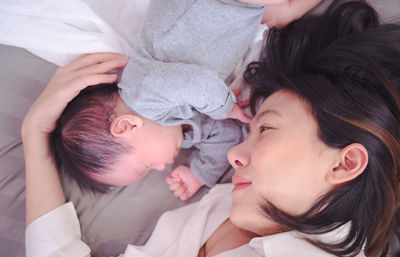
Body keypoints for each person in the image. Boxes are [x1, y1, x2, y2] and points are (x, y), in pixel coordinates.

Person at [23, 1, 400, 257]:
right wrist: (34, 133)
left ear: (345, 162)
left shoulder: (226, 199)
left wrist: (37, 132)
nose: (235, 153)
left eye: (264, 128)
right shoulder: (229, 203)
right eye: (254, 129)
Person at [51, 0, 322, 200]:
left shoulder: (142, 91)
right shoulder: (177, 125)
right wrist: (199, 174)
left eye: (147, 165)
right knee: (286, 12)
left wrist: (226, 108)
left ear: (126, 126)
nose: (163, 166)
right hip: (244, 12)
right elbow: (223, 135)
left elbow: (197, 85)